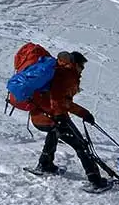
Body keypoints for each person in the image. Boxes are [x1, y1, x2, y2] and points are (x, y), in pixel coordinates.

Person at [30, 50, 107, 188]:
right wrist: (60, 118)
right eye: (82, 66)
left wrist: (84, 114)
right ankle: (95, 181)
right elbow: (57, 100)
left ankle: (45, 165)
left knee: (54, 134)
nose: (82, 70)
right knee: (81, 145)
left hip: (40, 116)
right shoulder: (66, 75)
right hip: (51, 117)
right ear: (75, 64)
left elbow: (64, 102)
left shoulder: (62, 73)